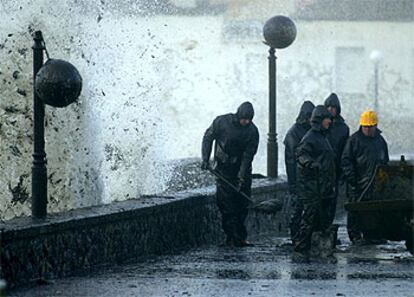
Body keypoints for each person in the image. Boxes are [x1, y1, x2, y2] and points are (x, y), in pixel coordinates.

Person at [201, 102, 259, 247]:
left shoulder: (252, 132)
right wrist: (205, 159)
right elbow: (208, 137)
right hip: (223, 170)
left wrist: (241, 177)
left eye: (249, 120)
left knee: (242, 205)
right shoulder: (221, 122)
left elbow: (248, 156)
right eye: (244, 119)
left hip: (243, 170)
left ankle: (241, 236)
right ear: (238, 115)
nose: (245, 122)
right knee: (227, 206)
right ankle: (232, 237)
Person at [294, 105, 336, 256]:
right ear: (319, 120)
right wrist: (311, 163)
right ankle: (301, 246)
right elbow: (300, 153)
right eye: (327, 119)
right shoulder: (311, 137)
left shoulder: (322, 137)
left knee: (319, 218)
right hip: (313, 187)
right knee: (309, 218)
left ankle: (311, 247)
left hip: (322, 186)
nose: (329, 122)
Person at [341, 110, 389, 243]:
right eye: (365, 127)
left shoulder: (380, 141)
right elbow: (346, 161)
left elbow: (385, 161)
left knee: (372, 210)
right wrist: (352, 179)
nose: (368, 129)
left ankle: (371, 234)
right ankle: (355, 236)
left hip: (374, 184)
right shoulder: (354, 140)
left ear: (375, 126)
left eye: (370, 126)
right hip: (357, 183)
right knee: (355, 210)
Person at [283, 101, 315, 245]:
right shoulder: (294, 133)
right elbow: (290, 161)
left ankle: (302, 236)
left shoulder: (310, 131)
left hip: (307, 178)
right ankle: (295, 235)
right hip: (298, 177)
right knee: (297, 209)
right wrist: (293, 183)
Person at [324, 93, 350, 225]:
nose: (330, 110)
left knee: (333, 199)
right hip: (323, 169)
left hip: (336, 169)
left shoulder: (343, 128)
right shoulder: (321, 125)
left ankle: (328, 225)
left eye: (333, 107)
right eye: (328, 107)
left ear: (337, 109)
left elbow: (346, 151)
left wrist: (343, 171)